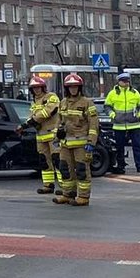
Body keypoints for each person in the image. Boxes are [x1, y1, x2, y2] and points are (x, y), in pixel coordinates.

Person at [54, 72, 98, 206]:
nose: (73, 89)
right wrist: (57, 135)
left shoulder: (87, 103)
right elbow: (59, 121)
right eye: (70, 87)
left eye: (75, 86)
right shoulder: (63, 102)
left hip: (81, 144)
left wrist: (91, 141)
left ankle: (83, 197)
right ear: (67, 88)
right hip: (65, 144)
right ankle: (68, 194)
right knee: (65, 169)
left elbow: (93, 123)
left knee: (81, 170)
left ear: (79, 88)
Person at [27, 75, 62, 196]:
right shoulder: (34, 102)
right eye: (34, 88)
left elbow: (47, 112)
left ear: (43, 87)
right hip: (40, 136)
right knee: (44, 161)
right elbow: (31, 115)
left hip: (53, 135)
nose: (36, 90)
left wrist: (32, 121)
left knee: (57, 160)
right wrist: (27, 123)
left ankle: (64, 186)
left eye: (38, 87)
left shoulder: (51, 97)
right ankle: (48, 185)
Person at [105, 71, 140, 175]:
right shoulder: (112, 93)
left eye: (127, 81)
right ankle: (121, 166)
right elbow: (107, 107)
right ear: (119, 82)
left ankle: (139, 166)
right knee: (120, 147)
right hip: (119, 126)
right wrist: (113, 115)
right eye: (124, 81)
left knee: (137, 146)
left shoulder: (134, 92)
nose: (126, 83)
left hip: (134, 124)